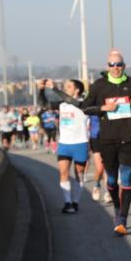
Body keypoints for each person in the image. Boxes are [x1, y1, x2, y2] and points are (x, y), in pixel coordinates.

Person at [82, 49, 131, 235]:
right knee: (111, 179)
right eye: (112, 65)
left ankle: (122, 219)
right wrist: (104, 107)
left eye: (119, 65)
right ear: (107, 67)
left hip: (129, 138)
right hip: (107, 139)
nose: (116, 68)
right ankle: (117, 208)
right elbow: (85, 108)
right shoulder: (99, 86)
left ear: (124, 66)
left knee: (125, 177)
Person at [39, 78, 90, 214]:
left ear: (77, 90)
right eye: (65, 86)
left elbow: (71, 101)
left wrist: (55, 88)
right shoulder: (62, 104)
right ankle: (68, 202)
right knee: (63, 172)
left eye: (69, 86)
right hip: (64, 144)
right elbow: (44, 105)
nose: (66, 88)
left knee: (79, 174)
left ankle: (76, 202)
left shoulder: (83, 103)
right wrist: (41, 90)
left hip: (80, 143)